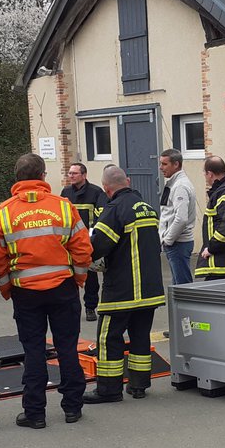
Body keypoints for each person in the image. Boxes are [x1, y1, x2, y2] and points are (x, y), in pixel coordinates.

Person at [0, 154, 93, 429]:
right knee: (67, 348)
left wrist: (7, 288)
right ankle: (72, 407)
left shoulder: (4, 212)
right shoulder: (64, 206)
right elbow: (82, 249)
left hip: (26, 292)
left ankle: (34, 413)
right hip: (63, 288)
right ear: (44, 176)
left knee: (33, 351)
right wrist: (78, 280)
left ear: (16, 178)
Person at [84, 165, 166, 403]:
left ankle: (108, 389)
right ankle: (139, 385)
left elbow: (98, 246)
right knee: (140, 335)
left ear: (107, 190)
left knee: (108, 338)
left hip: (123, 288)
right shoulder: (147, 208)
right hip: (149, 289)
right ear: (127, 181)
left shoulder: (115, 209)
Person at [60, 162, 108, 322]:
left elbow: (102, 216)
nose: (71, 176)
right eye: (70, 173)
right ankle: (70, 308)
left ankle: (90, 307)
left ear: (84, 175)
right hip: (69, 241)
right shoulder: (65, 193)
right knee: (68, 276)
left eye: (74, 173)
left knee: (91, 277)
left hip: (88, 241)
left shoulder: (96, 192)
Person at [158, 148, 196, 285]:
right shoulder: (174, 183)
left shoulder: (180, 186)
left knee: (182, 285)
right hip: (176, 243)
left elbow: (181, 218)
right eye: (160, 163)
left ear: (176, 164)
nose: (160, 168)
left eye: (164, 164)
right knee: (178, 286)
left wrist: (167, 240)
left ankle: (186, 307)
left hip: (178, 243)